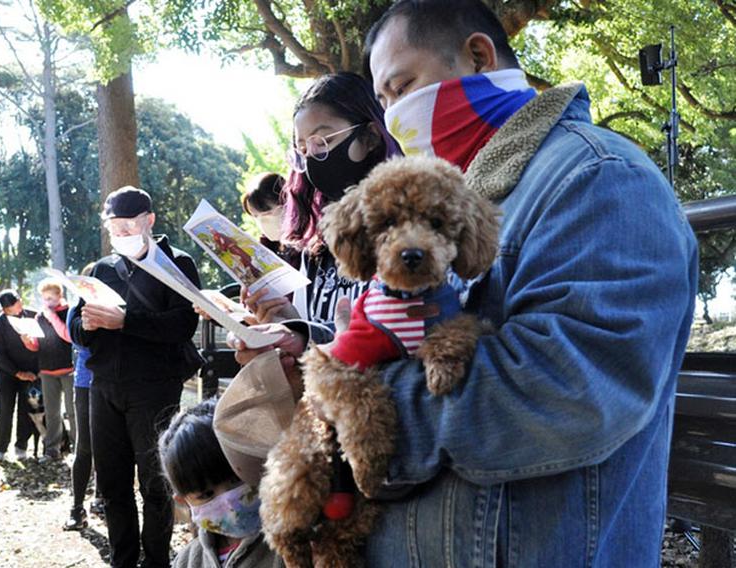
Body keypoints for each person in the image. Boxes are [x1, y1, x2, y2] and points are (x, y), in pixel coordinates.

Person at [238, 1, 698, 566]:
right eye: (382, 102)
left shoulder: (597, 178)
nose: (393, 118)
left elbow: (571, 388)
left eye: (401, 87)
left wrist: (352, 412)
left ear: (479, 56)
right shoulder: (460, 195)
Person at [69, 186, 202, 568]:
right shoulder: (101, 270)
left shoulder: (177, 263)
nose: (122, 235)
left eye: (129, 226)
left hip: (155, 387)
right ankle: (123, 558)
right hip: (104, 387)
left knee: (154, 482)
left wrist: (126, 321)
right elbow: (76, 330)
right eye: (115, 228)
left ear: (149, 220)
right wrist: (89, 324)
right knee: (111, 483)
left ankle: (157, 559)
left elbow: (181, 324)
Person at [242, 72, 401, 330]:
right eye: (302, 150)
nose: (313, 159)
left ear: (370, 136)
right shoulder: (316, 246)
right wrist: (289, 322)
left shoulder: (410, 230)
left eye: (323, 142)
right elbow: (316, 341)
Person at [158, 398, 283, 568]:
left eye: (236, 479)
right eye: (207, 494)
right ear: (184, 501)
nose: (230, 501)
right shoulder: (187, 561)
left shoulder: (290, 548)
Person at [63, 262, 99, 531]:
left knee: (111, 450)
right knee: (84, 447)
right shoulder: (77, 310)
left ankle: (103, 497)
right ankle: (77, 507)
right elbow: (79, 339)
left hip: (116, 384)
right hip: (87, 385)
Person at [25, 279, 75, 463]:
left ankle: (79, 448)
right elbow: (36, 345)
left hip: (68, 370)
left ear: (60, 296)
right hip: (47, 371)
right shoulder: (39, 317)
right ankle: (52, 449)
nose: (47, 302)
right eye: (44, 299)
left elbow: (67, 336)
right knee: (52, 412)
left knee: (72, 411)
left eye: (51, 298)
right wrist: (27, 339)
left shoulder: (68, 312)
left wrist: (52, 315)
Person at [0, 290, 39, 462]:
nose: (16, 310)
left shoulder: (33, 316)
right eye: (10, 309)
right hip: (7, 373)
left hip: (31, 372)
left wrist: (32, 372)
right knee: (5, 410)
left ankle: (21, 445)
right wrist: (17, 373)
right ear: (4, 310)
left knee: (26, 410)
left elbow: (42, 342)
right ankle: (0, 447)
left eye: (17, 304)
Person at [241, 173, 293, 263]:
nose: (261, 221)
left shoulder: (306, 244)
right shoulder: (265, 248)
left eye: (267, 214)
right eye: (255, 216)